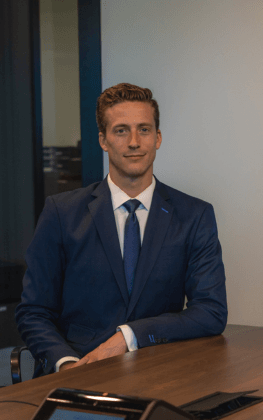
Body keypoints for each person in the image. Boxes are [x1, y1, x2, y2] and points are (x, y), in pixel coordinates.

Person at [16, 83, 227, 376]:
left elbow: (211, 312)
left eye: (144, 129)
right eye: (120, 130)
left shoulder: (194, 215)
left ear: (158, 138)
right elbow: (34, 311)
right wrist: (65, 363)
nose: (133, 142)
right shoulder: (61, 213)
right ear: (103, 140)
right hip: (79, 373)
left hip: (161, 373)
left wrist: (130, 336)